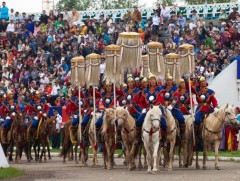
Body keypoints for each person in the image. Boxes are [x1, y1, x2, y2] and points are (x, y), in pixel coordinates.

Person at [160, 71, 185, 137]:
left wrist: (171, 105)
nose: (169, 82)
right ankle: (161, 135)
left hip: (174, 107)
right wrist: (163, 103)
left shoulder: (175, 88)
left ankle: (182, 134)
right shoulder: (162, 88)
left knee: (181, 119)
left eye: (170, 80)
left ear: (172, 81)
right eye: (167, 80)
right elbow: (160, 97)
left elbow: (176, 98)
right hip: (164, 107)